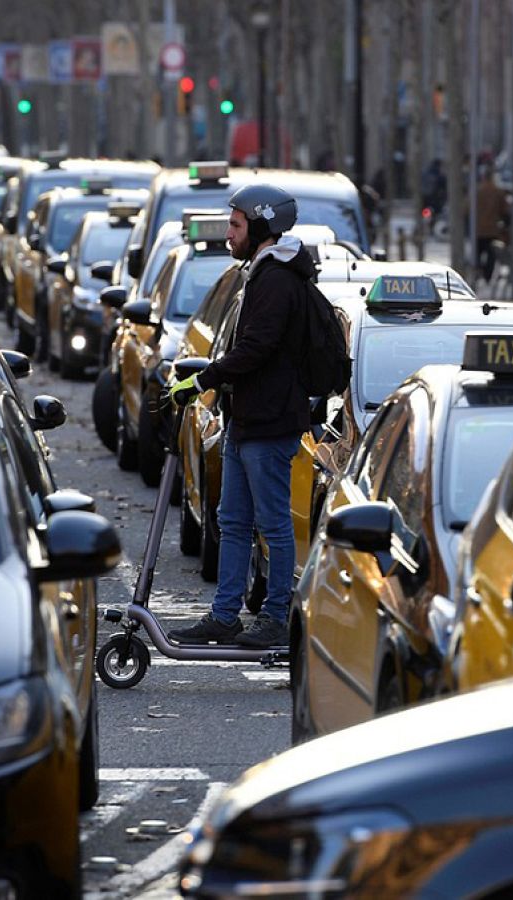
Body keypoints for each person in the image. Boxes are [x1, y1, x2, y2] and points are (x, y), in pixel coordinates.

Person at [166, 184, 313, 649]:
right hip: (245, 419)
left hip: (269, 424)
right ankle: (225, 615)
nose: (229, 235)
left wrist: (204, 378)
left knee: (272, 524)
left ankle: (274, 617)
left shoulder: (278, 279)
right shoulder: (258, 273)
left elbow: (255, 349)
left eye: (235, 225)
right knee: (231, 520)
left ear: (262, 227)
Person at [474, 161, 508, 282]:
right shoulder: (498, 192)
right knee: (491, 256)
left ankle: (478, 273)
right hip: (493, 231)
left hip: (478, 230)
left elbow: (467, 209)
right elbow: (505, 210)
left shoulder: (477, 191)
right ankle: (487, 277)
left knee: (477, 254)